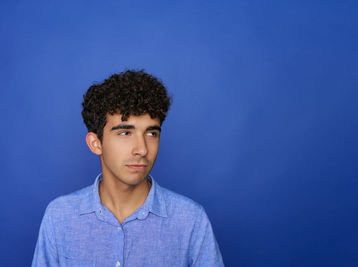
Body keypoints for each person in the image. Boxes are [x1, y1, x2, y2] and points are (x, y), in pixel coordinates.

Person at [32, 70, 224, 266]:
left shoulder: (191, 220)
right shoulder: (60, 217)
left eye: (151, 134)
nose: (141, 149)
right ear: (95, 143)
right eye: (125, 133)